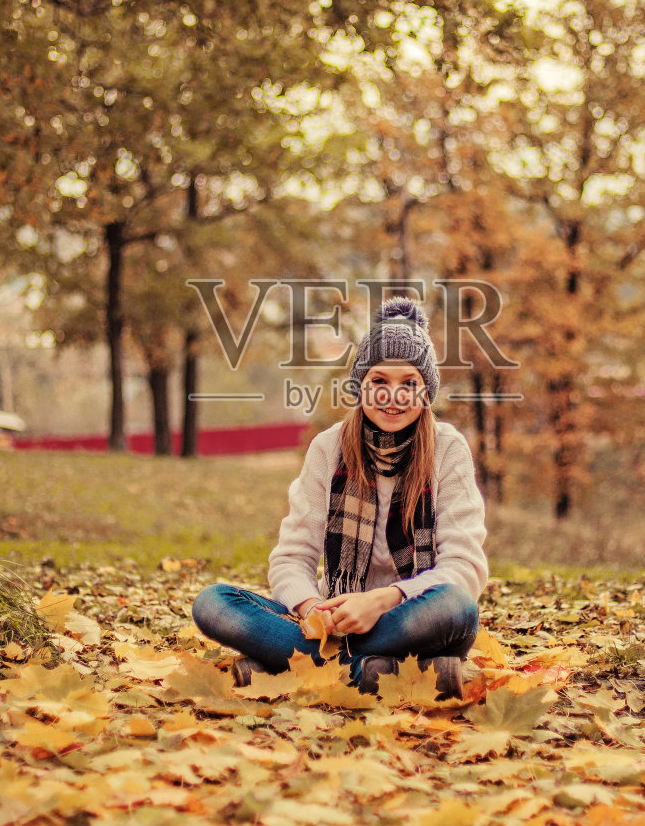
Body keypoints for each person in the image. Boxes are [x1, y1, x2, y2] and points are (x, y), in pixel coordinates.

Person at [192, 296, 489, 698]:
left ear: (426, 392)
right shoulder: (328, 448)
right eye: (379, 381)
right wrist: (312, 609)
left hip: (416, 617)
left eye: (408, 384)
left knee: (456, 606)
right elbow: (292, 558)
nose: (393, 396)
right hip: (335, 623)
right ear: (361, 385)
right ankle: (382, 673)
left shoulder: (447, 448)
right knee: (213, 603)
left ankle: (294, 670)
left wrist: (382, 601)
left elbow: (464, 569)